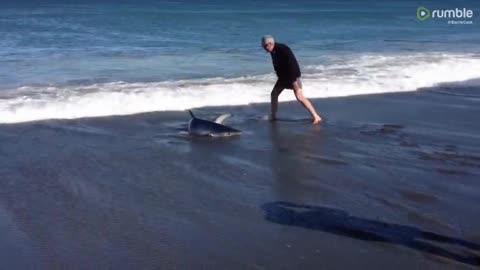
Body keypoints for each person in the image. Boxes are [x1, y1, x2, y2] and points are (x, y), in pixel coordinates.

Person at [262, 35, 322, 124]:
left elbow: (292, 65)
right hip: (283, 78)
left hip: (292, 77)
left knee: (299, 96)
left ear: (270, 44)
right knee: (274, 94)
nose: (264, 49)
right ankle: (273, 115)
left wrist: (294, 81)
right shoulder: (272, 50)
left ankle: (316, 116)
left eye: (264, 46)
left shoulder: (283, 49)